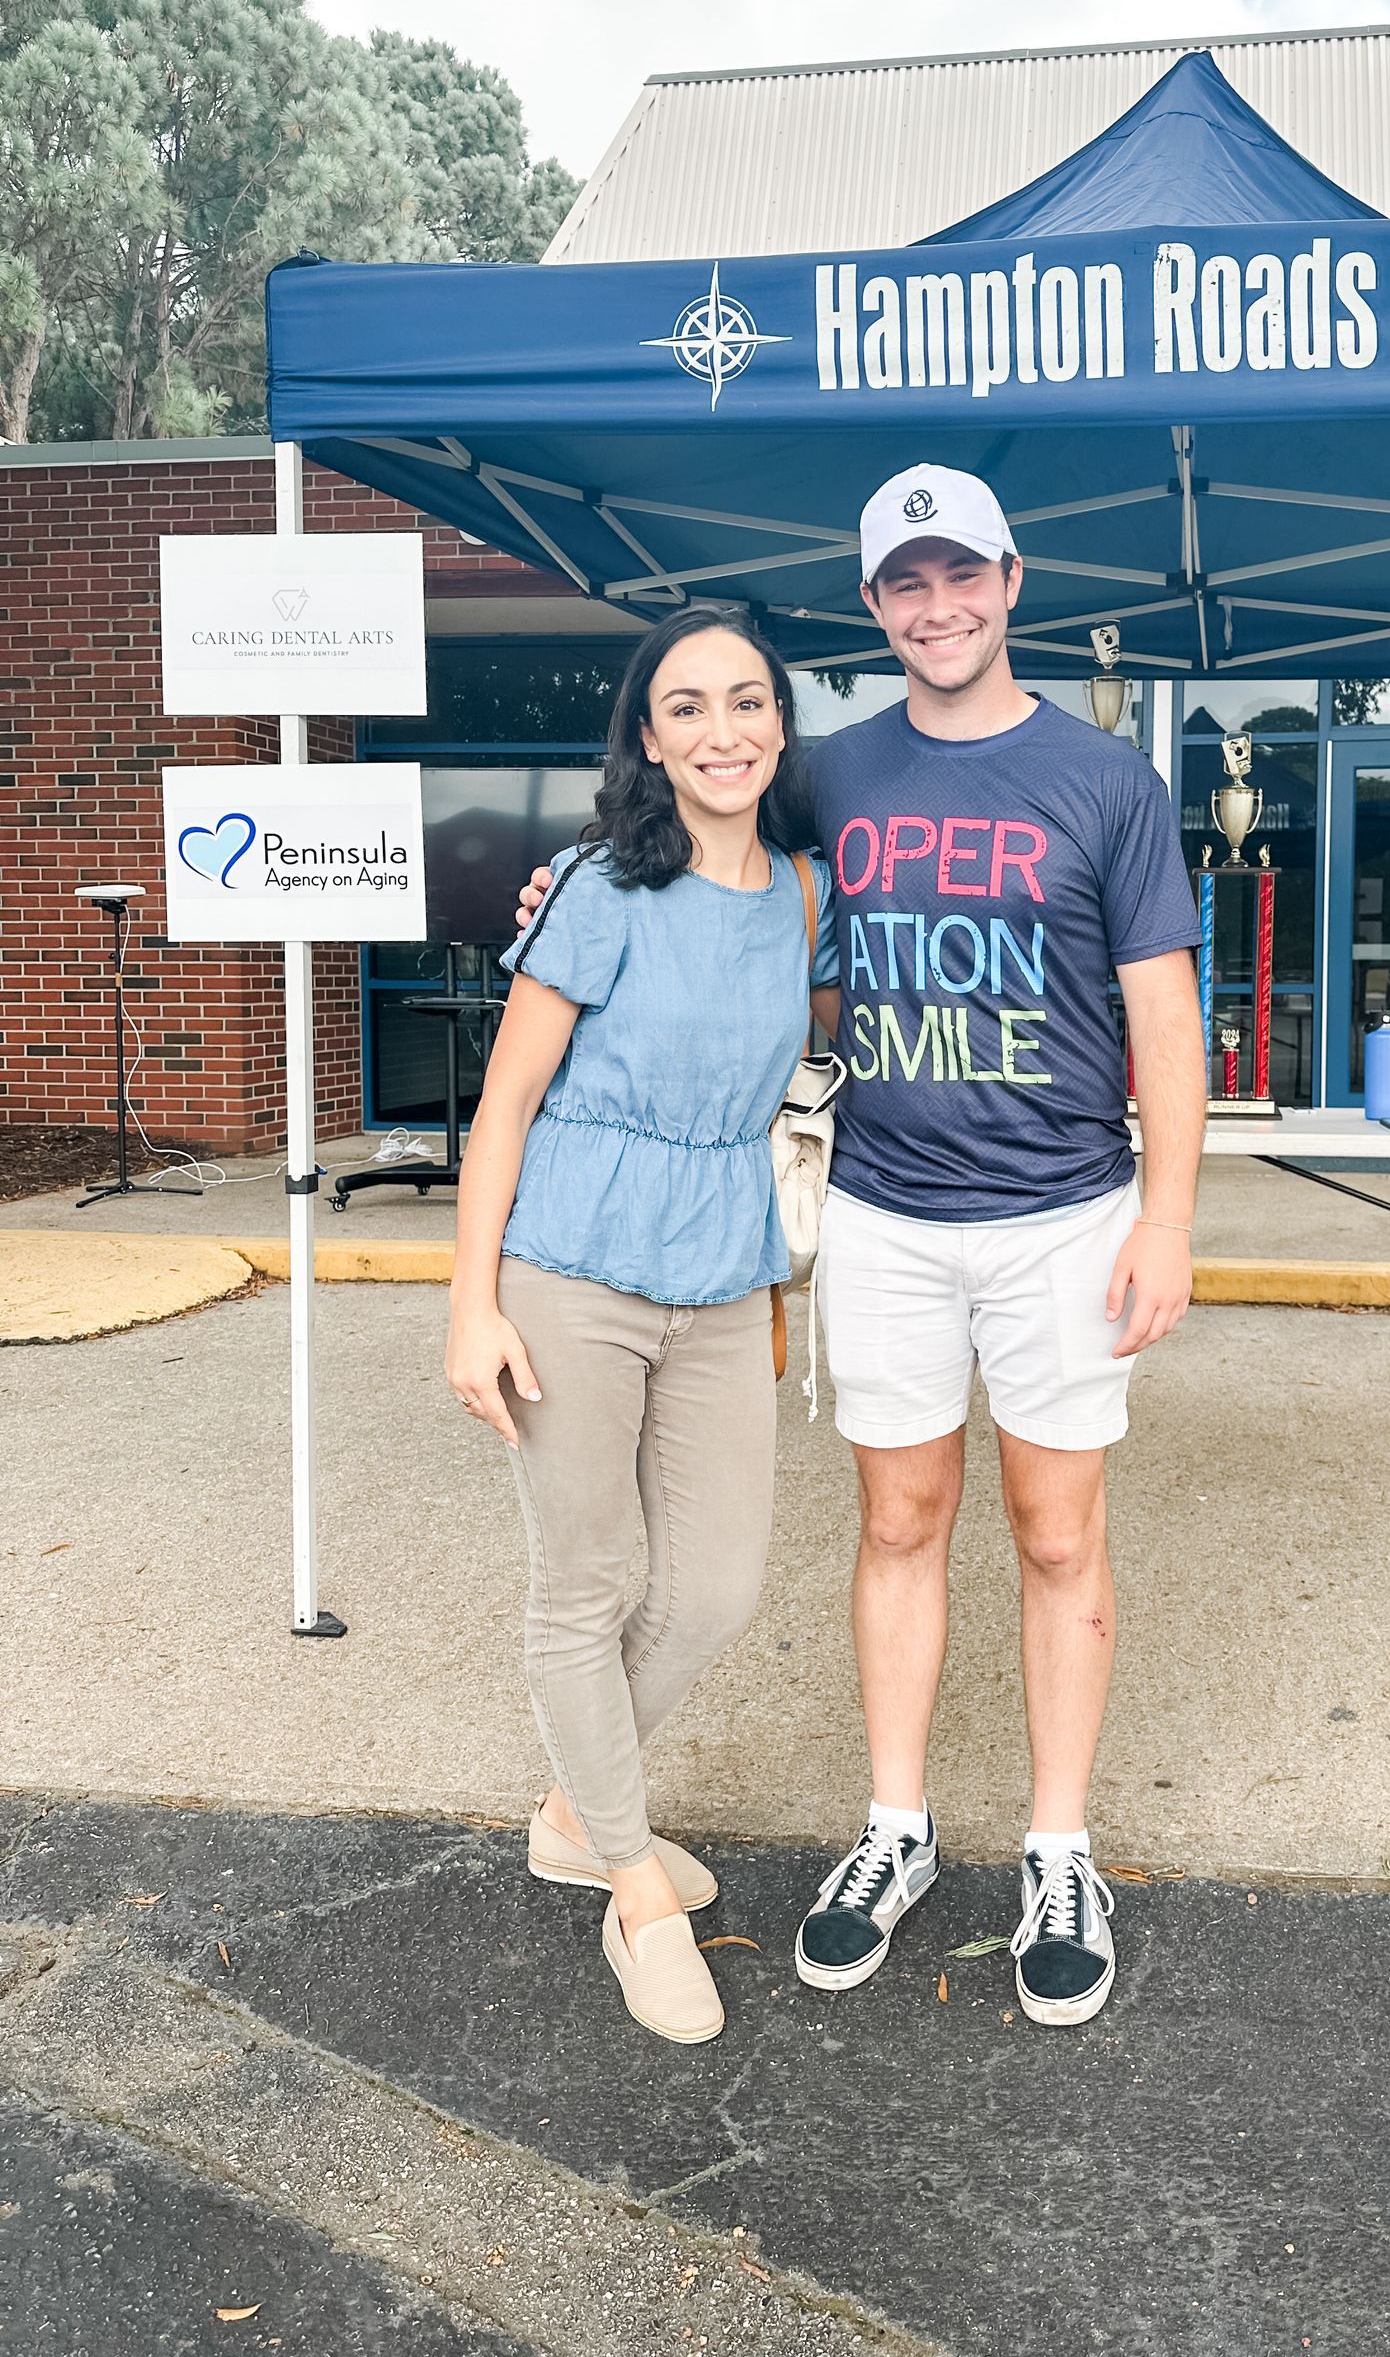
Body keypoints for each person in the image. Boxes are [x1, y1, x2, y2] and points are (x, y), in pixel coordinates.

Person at [528, 465, 1205, 2027]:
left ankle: (1058, 1848)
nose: (938, 605)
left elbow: (1165, 1015)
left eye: (961, 575)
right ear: (876, 606)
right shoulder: (829, 771)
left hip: (1065, 1217)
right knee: (899, 1527)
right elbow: (685, 819)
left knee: (1055, 1537)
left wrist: (1169, 1218)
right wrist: (562, 876)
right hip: (890, 1215)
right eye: (907, 583)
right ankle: (895, 1830)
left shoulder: (1110, 785)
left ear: (1011, 581)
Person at [450, 602, 837, 2046]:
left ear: (780, 725)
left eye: (747, 702)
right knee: (589, 1578)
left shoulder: (804, 897)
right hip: (573, 1270)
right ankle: (632, 1888)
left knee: (720, 1585)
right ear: (649, 738)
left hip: (725, 1280)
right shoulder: (603, 889)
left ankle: (571, 1808)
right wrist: (469, 1304)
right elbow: (502, 1110)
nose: (721, 730)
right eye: (687, 708)